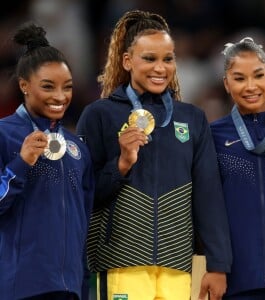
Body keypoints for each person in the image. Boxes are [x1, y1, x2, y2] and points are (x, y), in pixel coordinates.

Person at [76, 9, 232, 300]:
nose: (160, 68)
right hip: (119, 262)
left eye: (168, 59)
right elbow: (83, 196)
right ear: (127, 61)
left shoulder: (193, 119)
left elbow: (208, 195)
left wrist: (218, 264)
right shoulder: (99, 115)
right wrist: (121, 164)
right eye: (149, 58)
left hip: (176, 267)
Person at [0, 22, 94, 300]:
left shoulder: (77, 148)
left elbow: (84, 222)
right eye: (48, 86)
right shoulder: (4, 134)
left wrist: (82, 283)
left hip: (69, 288)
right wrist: (21, 162)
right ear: (24, 85)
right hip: (20, 287)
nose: (60, 96)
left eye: (67, 87)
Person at [210, 37, 265, 299]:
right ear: (226, 84)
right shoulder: (213, 137)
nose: (251, 86)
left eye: (258, 75)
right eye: (239, 78)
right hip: (237, 281)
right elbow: (207, 206)